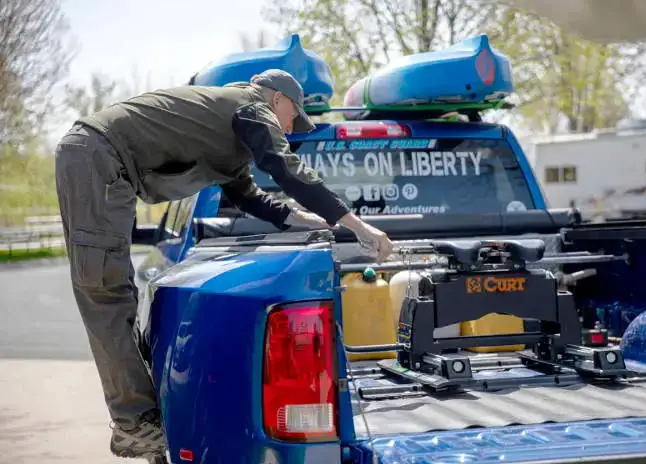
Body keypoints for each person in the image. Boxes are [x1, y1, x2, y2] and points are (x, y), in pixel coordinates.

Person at [53, 68, 394, 458]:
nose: (290, 127)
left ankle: (139, 420)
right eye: (292, 117)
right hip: (96, 156)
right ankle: (135, 424)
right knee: (105, 293)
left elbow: (248, 195)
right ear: (277, 99)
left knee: (112, 293)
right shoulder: (250, 105)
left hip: (101, 161)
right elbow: (284, 167)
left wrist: (296, 218)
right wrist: (356, 224)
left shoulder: (227, 136)